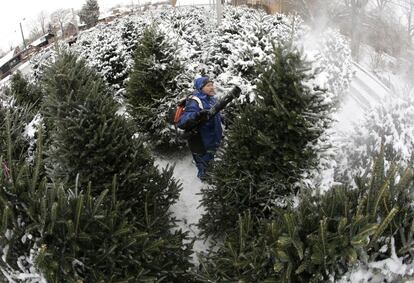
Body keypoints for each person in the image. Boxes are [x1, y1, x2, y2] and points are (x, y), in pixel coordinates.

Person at [178, 76, 223, 180]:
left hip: (212, 141)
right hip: (201, 143)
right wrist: (197, 115)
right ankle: (203, 189)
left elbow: (216, 117)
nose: (212, 87)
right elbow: (183, 121)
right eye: (208, 85)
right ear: (200, 87)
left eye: (212, 85)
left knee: (212, 166)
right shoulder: (195, 101)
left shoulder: (212, 99)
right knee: (205, 169)